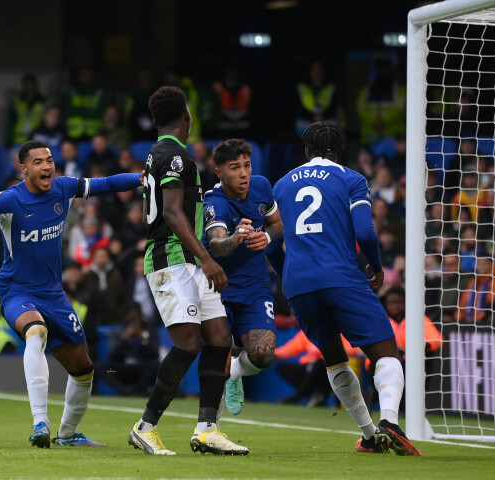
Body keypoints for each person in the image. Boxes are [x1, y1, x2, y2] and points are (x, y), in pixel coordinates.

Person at [0, 139, 143, 448]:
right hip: (17, 291)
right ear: (23, 168)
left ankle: (68, 434)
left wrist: (139, 178)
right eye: (38, 162)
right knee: (36, 332)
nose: (47, 166)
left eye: (49, 160)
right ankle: (40, 423)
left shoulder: (63, 188)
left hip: (53, 294)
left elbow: (107, 184)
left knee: (84, 370)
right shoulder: (10, 200)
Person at [272, 120, 421, 456]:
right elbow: (365, 232)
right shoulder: (351, 179)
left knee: (334, 359)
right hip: (340, 277)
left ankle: (368, 436)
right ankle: (390, 422)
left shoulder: (281, 184)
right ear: (339, 151)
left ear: (307, 150)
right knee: (386, 352)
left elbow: (270, 245)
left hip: (298, 285)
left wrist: (291, 276)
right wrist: (376, 266)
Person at [127, 86, 248, 456]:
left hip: (188, 260)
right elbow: (171, 211)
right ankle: (145, 427)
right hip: (171, 259)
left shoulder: (156, 153)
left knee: (219, 337)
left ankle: (207, 430)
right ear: (186, 116)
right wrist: (207, 258)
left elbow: (155, 212)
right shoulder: (175, 155)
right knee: (188, 344)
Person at [202, 138, 283, 416]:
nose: (244, 173)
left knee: (264, 354)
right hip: (218, 289)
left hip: (255, 287)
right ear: (219, 172)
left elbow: (277, 224)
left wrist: (267, 237)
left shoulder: (262, 186)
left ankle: (237, 373)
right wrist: (236, 238)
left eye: (246, 165)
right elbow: (216, 244)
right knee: (218, 366)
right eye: (235, 167)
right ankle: (210, 428)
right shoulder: (215, 202)